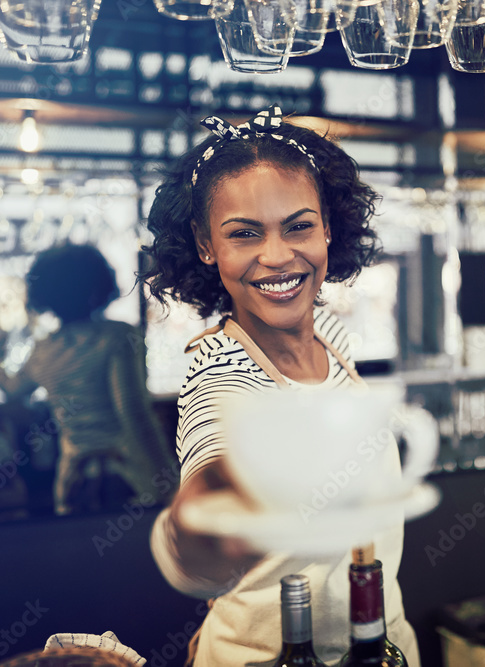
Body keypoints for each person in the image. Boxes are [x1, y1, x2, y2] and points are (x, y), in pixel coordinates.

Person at [142, 105, 420, 666]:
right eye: (244, 234)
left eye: (298, 226)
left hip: (386, 649)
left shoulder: (335, 337)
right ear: (205, 244)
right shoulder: (220, 374)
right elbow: (199, 538)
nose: (277, 256)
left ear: (327, 228)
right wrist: (198, 531)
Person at [0, 243, 177, 515]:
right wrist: (169, 482)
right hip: (129, 480)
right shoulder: (119, 337)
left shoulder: (44, 350)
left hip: (73, 486)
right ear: (99, 284)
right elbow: (134, 415)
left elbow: (11, 389)